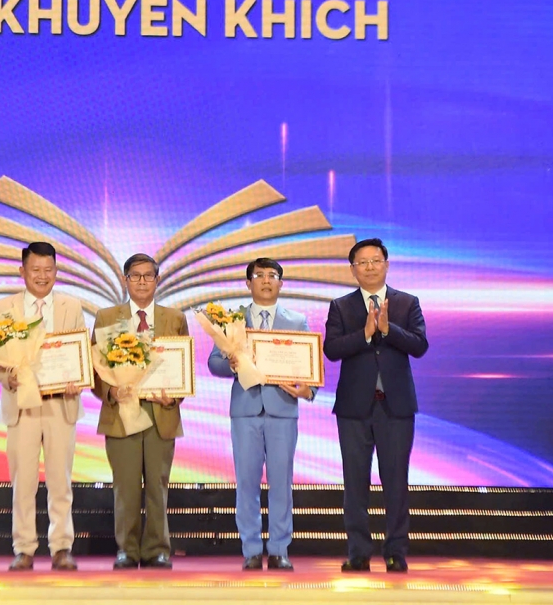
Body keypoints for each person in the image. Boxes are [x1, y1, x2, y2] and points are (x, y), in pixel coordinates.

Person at [324, 238, 428, 574]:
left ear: (386, 264)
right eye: (362, 262)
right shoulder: (341, 306)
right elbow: (331, 349)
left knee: (396, 482)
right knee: (355, 483)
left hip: (396, 407)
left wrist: (388, 329)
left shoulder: (407, 303)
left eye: (375, 260)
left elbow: (420, 345)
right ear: (352, 269)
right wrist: (366, 334)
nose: (369, 267)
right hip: (354, 408)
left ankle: (395, 551)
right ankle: (358, 553)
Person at [208, 258, 315, 571]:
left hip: (283, 409)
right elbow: (213, 363)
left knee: (282, 483)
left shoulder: (297, 321)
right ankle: (251, 549)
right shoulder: (233, 319)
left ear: (281, 283)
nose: (266, 281)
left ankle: (279, 549)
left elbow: (310, 366)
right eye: (259, 275)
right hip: (246, 410)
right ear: (248, 283)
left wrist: (308, 390)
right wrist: (231, 363)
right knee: (247, 483)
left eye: (272, 275)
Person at [0, 242, 86, 572]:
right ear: (22, 271)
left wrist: (78, 378)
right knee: (23, 482)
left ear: (56, 271)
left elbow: (81, 351)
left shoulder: (72, 306)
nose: (42, 276)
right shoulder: (4, 307)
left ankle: (61, 547)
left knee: (61, 481)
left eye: (48, 270)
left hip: (61, 404)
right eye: (35, 270)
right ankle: (24, 548)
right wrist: (8, 378)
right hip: (22, 406)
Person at [93, 253, 189, 570]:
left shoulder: (174, 318)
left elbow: (183, 368)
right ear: (125, 280)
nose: (142, 281)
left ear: (157, 280)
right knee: (125, 487)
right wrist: (111, 391)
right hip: (121, 414)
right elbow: (94, 370)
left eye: (149, 275)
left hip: (161, 414)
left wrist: (173, 398)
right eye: (135, 275)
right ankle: (127, 549)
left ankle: (158, 549)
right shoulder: (107, 318)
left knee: (158, 488)